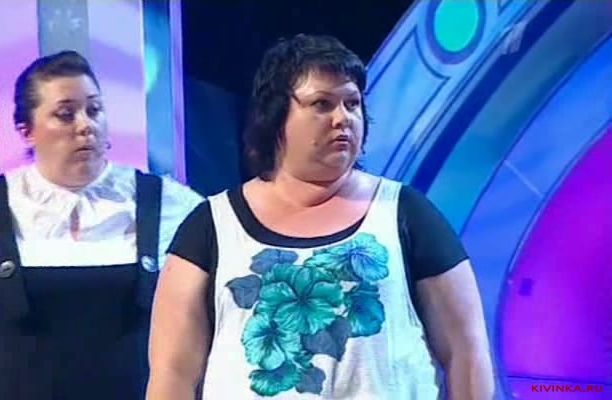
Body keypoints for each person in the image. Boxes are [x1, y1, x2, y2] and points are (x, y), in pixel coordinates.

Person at [147, 34, 495, 399]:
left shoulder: (405, 213)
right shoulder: (211, 226)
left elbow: (466, 349)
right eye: (322, 104)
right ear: (276, 116)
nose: (343, 118)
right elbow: (173, 371)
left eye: (352, 103)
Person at [0, 50, 202, 400]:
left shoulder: (169, 204)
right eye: (66, 114)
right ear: (26, 131)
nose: (85, 125)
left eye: (94, 110)